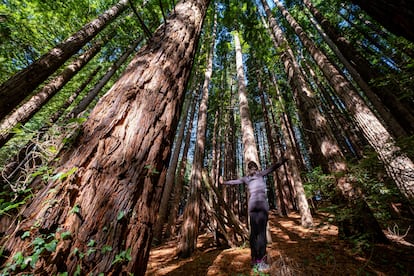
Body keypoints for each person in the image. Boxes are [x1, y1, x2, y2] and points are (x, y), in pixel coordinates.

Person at [221, 157, 287, 272]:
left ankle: (254, 260)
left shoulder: (246, 178)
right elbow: (274, 166)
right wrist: (284, 158)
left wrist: (223, 182)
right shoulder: (261, 174)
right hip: (261, 206)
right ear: (256, 168)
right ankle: (261, 262)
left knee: (254, 234)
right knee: (261, 234)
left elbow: (234, 182)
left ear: (248, 169)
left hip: (252, 207)